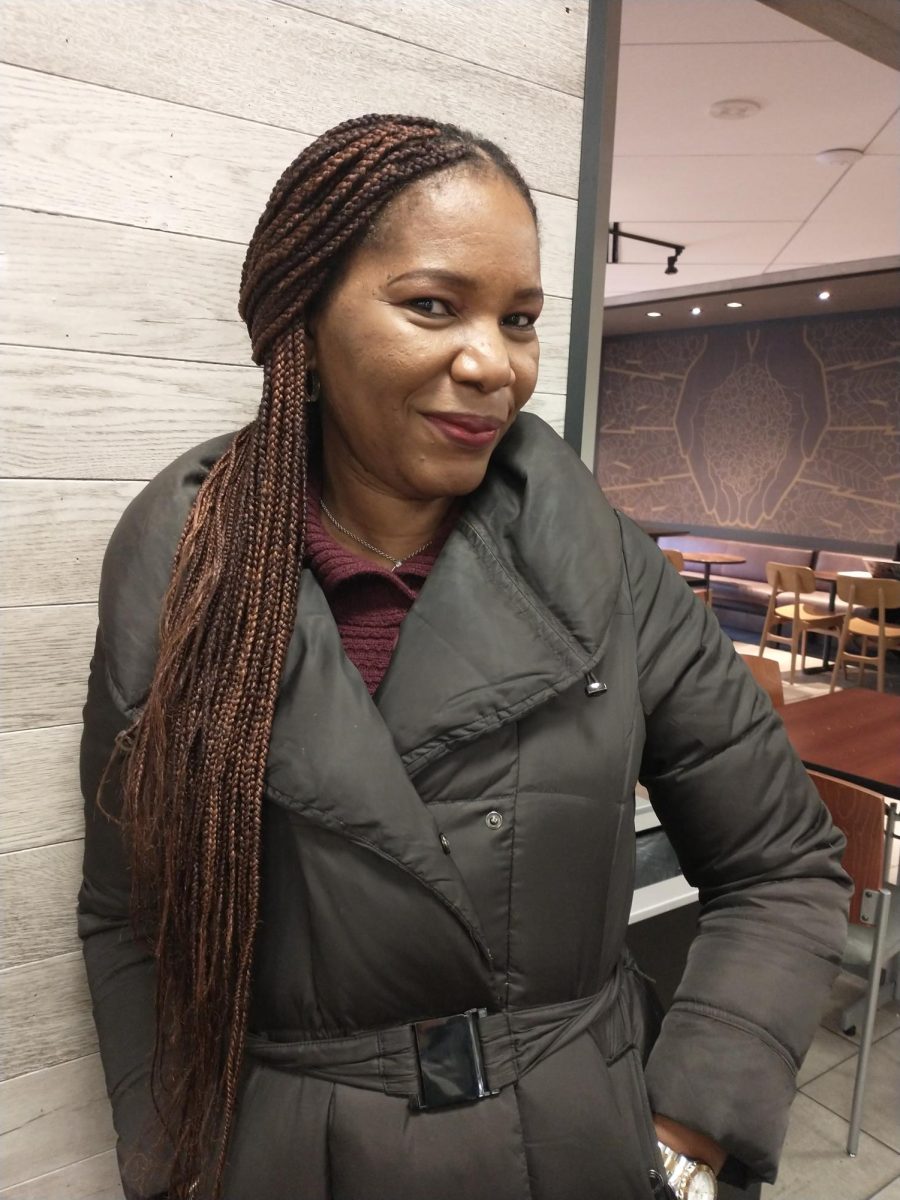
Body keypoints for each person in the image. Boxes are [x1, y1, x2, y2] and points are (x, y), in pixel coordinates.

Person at [79, 114, 850, 1200]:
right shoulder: (182, 566)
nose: (494, 362)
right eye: (433, 305)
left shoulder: (603, 564)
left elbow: (781, 863)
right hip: (297, 1160)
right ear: (303, 314)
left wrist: (688, 1141)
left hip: (584, 1144)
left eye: (521, 318)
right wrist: (176, 1167)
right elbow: (129, 914)